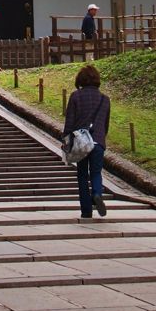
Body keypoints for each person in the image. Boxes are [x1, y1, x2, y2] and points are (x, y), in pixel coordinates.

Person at [63, 64, 111, 219]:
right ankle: (97, 193)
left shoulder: (75, 96)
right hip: (98, 142)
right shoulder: (105, 99)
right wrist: (101, 139)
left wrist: (66, 141)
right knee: (96, 172)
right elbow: (105, 124)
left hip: (81, 142)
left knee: (82, 175)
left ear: (81, 79)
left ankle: (86, 210)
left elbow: (70, 122)